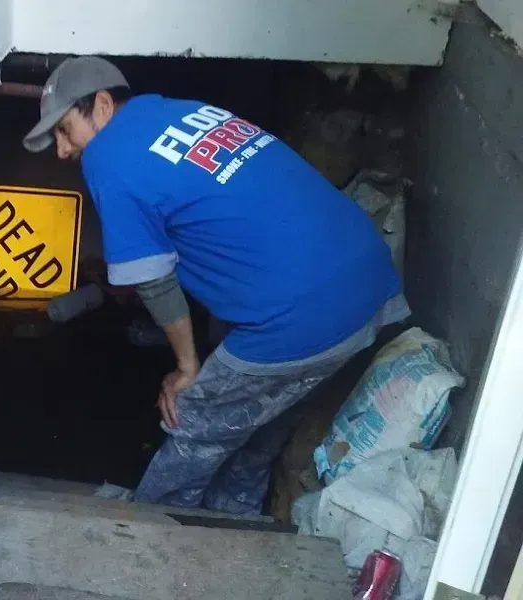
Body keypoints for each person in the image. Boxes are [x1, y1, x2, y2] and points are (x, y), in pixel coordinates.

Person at [22, 55, 410, 514]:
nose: (63, 150)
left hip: (300, 315)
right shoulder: (183, 112)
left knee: (193, 421)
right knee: (261, 418)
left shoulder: (108, 156)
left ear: (102, 106)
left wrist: (187, 367)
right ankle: (236, 517)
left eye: (65, 130)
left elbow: (152, 280)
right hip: (367, 284)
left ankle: (142, 535)